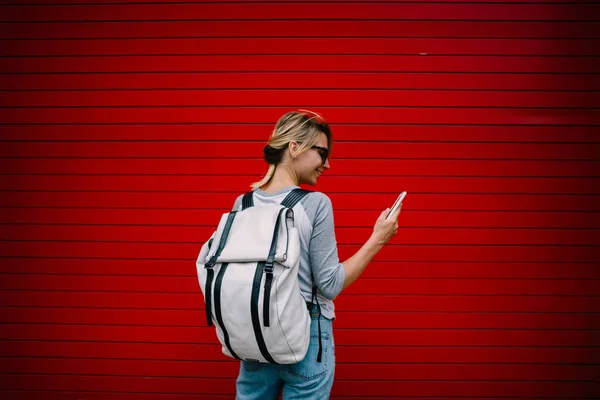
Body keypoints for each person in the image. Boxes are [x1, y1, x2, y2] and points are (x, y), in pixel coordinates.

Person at [232, 109, 401, 399]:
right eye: (322, 152)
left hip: (254, 335)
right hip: (305, 335)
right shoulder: (315, 203)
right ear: (294, 147)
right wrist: (378, 239)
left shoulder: (244, 203)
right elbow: (330, 284)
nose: (327, 164)